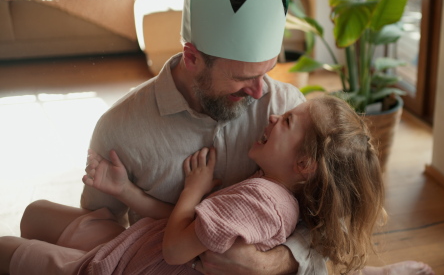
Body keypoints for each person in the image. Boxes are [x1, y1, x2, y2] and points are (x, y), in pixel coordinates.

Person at [0, 96, 417, 275]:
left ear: (304, 164)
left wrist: (194, 188)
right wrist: (126, 191)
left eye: (287, 121)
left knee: (8, 250)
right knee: (35, 212)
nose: (272, 115)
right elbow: (188, 231)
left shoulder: (261, 201)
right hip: (133, 243)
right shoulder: (270, 190)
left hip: (128, 266)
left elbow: (175, 248)